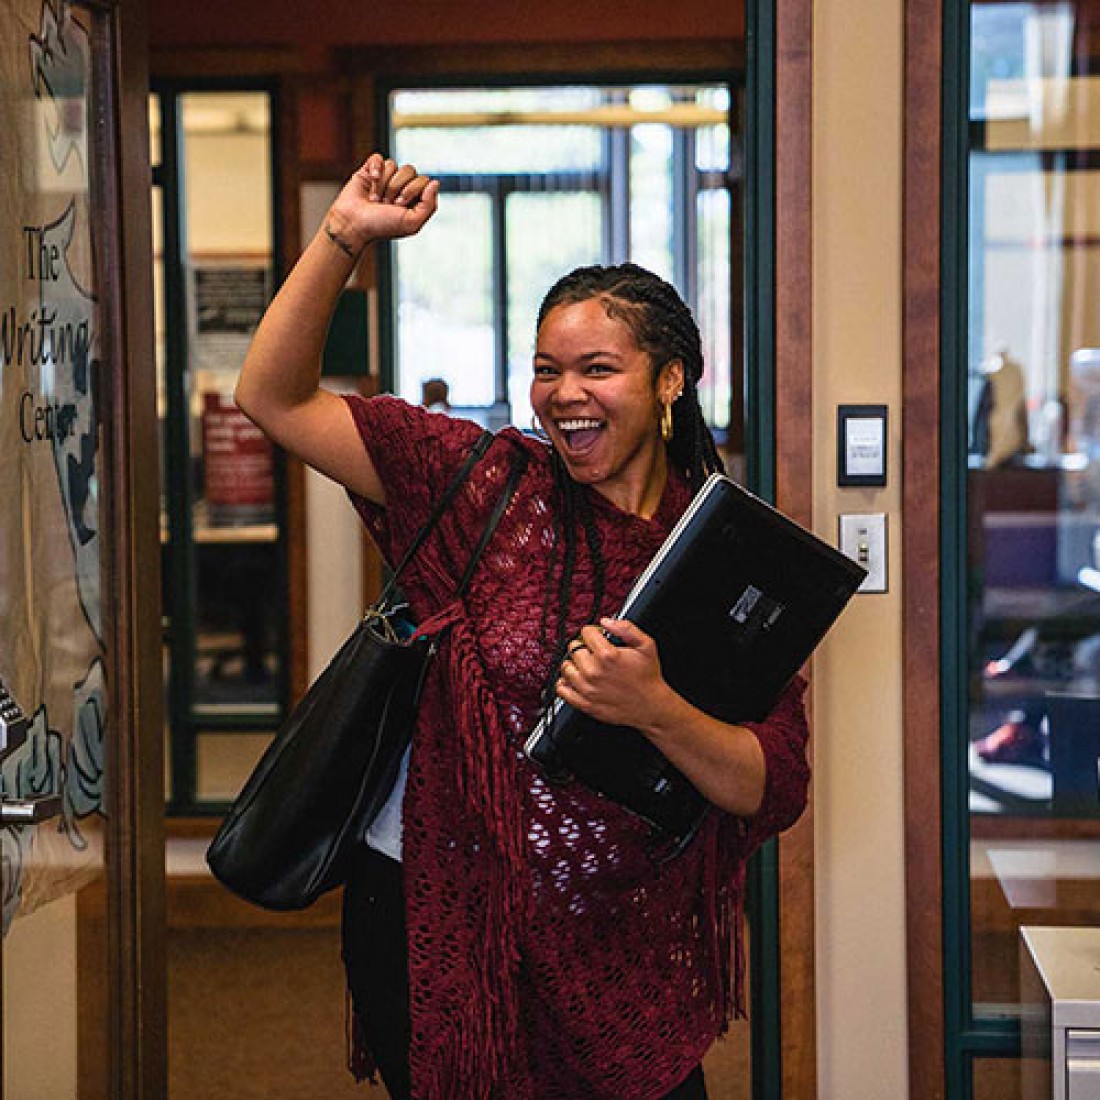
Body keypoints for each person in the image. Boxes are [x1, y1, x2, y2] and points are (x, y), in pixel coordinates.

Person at [235, 153, 810, 1100]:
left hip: (625, 938)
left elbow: (772, 782)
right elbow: (275, 397)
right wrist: (342, 238)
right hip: (442, 920)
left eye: (597, 368)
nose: (564, 394)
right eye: (547, 371)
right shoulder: (484, 483)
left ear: (672, 381)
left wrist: (656, 707)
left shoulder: (721, 553)